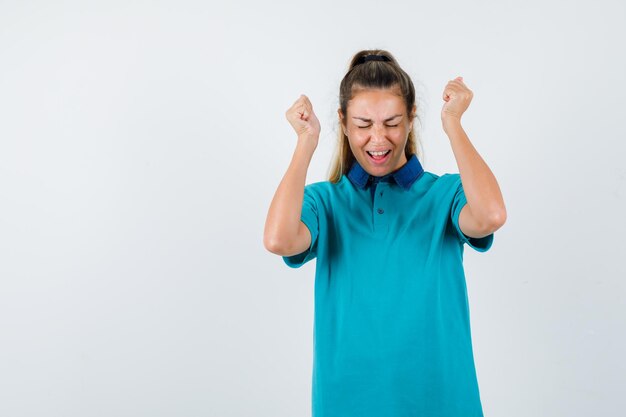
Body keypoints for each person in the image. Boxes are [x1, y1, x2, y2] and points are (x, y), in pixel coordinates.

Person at [263, 49, 506, 417]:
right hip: (347, 404)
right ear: (343, 123)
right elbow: (278, 240)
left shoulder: (445, 195)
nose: (378, 138)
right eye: (363, 125)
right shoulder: (324, 203)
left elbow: (490, 215)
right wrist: (305, 142)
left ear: (411, 119)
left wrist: (453, 122)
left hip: (442, 402)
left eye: (392, 122)